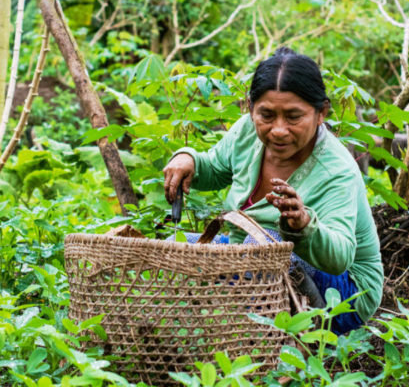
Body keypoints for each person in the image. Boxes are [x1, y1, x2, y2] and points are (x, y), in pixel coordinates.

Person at [163, 47, 383, 334]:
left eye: (293, 117)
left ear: (321, 113)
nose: (278, 130)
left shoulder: (335, 170)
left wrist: (304, 227)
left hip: (344, 294)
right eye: (267, 115)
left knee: (264, 249)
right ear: (251, 107)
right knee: (174, 247)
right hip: (254, 257)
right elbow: (215, 168)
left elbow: (340, 257)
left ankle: (265, 348)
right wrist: (188, 159)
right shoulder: (246, 133)